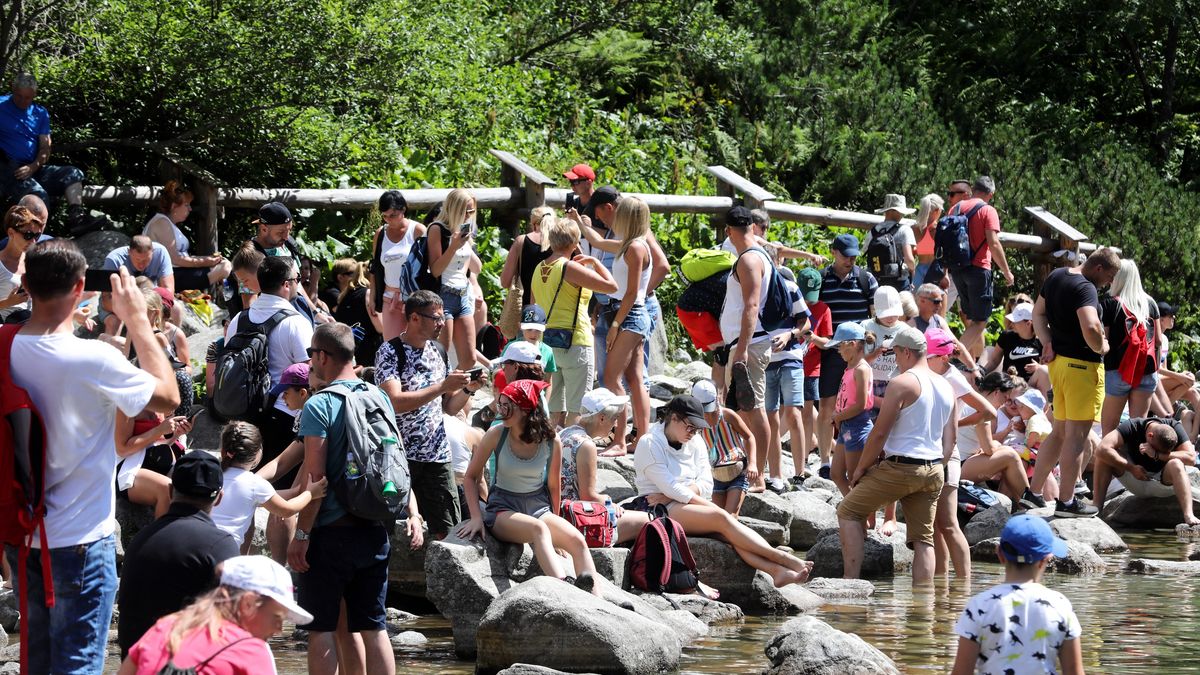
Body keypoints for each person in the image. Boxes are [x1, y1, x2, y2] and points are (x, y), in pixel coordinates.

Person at [5, 239, 180, 674]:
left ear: (25, 284)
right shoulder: (94, 357)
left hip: (22, 535)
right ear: (81, 286)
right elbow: (168, 398)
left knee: (37, 663)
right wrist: (138, 320)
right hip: (82, 539)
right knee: (78, 666)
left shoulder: (4, 345)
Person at [291, 323, 422, 675]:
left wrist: (302, 535)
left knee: (319, 628)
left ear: (321, 356)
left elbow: (316, 480)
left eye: (310, 355)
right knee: (373, 627)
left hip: (330, 533)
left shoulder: (319, 405)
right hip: (374, 528)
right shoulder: (378, 396)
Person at [630, 395, 813, 588]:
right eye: (690, 427)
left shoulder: (696, 441)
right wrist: (673, 495)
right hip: (658, 508)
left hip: (678, 501)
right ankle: (784, 559)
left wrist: (671, 494)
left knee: (729, 534)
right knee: (723, 519)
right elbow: (670, 487)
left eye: (697, 428)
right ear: (674, 418)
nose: (693, 433)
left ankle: (777, 572)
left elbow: (706, 483)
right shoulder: (649, 443)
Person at [837, 327, 956, 583]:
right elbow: (951, 440)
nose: (894, 360)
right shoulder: (946, 386)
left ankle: (851, 584)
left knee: (848, 511)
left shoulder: (901, 383)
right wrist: (937, 465)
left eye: (895, 354)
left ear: (905, 352)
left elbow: (879, 433)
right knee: (923, 540)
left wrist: (860, 470)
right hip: (934, 468)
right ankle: (923, 608)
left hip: (901, 466)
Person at [458, 380, 601, 592]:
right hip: (502, 509)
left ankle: (597, 603)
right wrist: (476, 518)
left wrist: (558, 535)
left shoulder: (552, 441)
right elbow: (470, 478)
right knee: (539, 529)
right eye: (500, 404)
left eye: (507, 406)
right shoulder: (496, 434)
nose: (501, 411)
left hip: (538, 507)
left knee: (577, 541)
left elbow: (554, 487)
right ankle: (565, 589)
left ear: (525, 409)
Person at [116, 451, 240, 659]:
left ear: (171, 491)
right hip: (184, 664)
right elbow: (234, 621)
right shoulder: (220, 544)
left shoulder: (141, 539)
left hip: (135, 662)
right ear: (219, 498)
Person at [1028, 247, 1121, 517]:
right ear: (1099, 268)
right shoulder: (1086, 288)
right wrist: (1101, 347)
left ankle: (1032, 494)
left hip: (1058, 366)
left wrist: (1047, 342)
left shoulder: (1057, 275)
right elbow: (1091, 326)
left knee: (1058, 432)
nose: (1109, 282)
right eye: (1110, 275)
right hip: (1082, 367)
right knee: (1077, 437)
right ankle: (1066, 501)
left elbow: (1038, 313)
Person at [375, 290, 475, 539]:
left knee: (449, 531)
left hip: (436, 454)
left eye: (443, 317)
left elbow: (449, 407)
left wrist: (468, 390)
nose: (442, 323)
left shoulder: (439, 351)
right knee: (387, 531)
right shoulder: (390, 352)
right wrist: (442, 386)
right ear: (415, 318)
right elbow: (394, 402)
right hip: (399, 455)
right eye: (436, 318)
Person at [119, 555, 312, 674]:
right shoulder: (251, 651)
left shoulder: (168, 627)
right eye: (277, 618)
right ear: (248, 604)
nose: (279, 630)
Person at [950, 515, 1083, 675]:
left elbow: (961, 672)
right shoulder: (1060, 605)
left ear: (1000, 554)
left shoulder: (979, 605)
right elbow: (1074, 671)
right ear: (1045, 560)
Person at [581, 196, 653, 453]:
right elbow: (597, 242)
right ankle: (642, 439)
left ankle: (620, 440)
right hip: (624, 313)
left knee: (610, 377)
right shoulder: (629, 244)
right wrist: (580, 223)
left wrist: (615, 325)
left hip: (629, 314)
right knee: (633, 379)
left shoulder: (635, 247)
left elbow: (632, 292)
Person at [531, 215, 617, 429]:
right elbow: (612, 286)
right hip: (575, 340)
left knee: (553, 406)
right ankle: (571, 454)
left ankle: (551, 455)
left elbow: (534, 307)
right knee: (577, 407)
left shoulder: (539, 267)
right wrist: (595, 262)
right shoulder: (569, 267)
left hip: (548, 343)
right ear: (574, 242)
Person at [926, 327, 996, 578]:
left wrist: (955, 423)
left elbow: (989, 412)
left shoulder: (952, 376)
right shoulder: (928, 372)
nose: (923, 359)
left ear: (942, 357)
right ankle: (942, 584)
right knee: (934, 525)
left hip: (948, 455)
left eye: (927, 355)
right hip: (929, 454)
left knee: (948, 523)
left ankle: (964, 586)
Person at [0, 73, 107, 234]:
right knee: (39, 195)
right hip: (8, 167)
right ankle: (34, 240)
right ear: (12, 89)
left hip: (32, 167)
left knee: (72, 173)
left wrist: (33, 166)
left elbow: (45, 147)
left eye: (27, 97)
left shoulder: (40, 113)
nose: (22, 101)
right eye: (18, 96)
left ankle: (76, 218)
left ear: (34, 95)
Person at [719, 205, 774, 492]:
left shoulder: (749, 260)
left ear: (728, 231)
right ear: (752, 226)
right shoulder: (757, 252)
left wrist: (741, 348)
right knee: (743, 407)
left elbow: (752, 305)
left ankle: (759, 474)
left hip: (750, 344)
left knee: (755, 409)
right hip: (748, 342)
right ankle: (746, 466)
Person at [817, 233, 878, 486]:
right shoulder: (821, 279)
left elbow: (874, 315)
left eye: (854, 256)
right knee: (827, 405)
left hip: (858, 351)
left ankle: (853, 453)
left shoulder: (866, 279)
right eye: (846, 255)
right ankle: (824, 460)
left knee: (858, 402)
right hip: (832, 350)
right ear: (834, 252)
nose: (850, 260)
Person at [210, 420, 328, 546]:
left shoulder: (213, 476)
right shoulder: (255, 484)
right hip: (225, 550)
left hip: (199, 542)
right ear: (257, 454)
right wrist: (310, 493)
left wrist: (296, 492)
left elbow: (264, 497)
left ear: (223, 451)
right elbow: (287, 510)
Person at [558, 388, 650, 543]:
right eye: (614, 418)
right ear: (601, 418)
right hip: (576, 518)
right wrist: (609, 502)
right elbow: (588, 497)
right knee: (649, 519)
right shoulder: (586, 445)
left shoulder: (565, 433)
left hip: (559, 513)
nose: (615, 424)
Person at [949, 176, 1015, 359]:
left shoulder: (955, 208)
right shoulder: (988, 210)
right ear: (990, 194)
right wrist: (1006, 271)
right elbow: (993, 244)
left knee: (970, 319)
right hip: (978, 269)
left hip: (957, 269)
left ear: (973, 190)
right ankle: (952, 357)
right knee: (980, 321)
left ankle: (970, 363)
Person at [1091, 416, 1197, 524]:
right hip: (1135, 477)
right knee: (1104, 456)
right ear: (1150, 435)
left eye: (1166, 452)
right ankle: (1097, 507)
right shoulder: (1133, 426)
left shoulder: (1174, 426)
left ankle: (1188, 515)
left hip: (1162, 483)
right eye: (1156, 448)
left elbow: (1192, 459)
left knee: (1177, 463)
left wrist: (1157, 454)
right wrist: (1131, 468)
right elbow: (1102, 449)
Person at [1098, 259, 1160, 435]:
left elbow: (1104, 341)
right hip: (1146, 371)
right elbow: (1158, 341)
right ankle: (1135, 462)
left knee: (1109, 429)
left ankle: (1111, 462)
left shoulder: (1109, 304)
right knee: (1137, 429)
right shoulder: (1150, 303)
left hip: (1118, 371)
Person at [763, 266, 810, 493]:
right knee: (770, 417)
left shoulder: (790, 287)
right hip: (763, 360)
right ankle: (775, 476)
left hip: (791, 357)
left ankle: (800, 474)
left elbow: (806, 323)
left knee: (793, 414)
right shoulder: (753, 289)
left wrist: (789, 334)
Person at [567, 185, 621, 381]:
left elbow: (615, 285)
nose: (597, 218)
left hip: (624, 309)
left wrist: (638, 297)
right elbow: (598, 243)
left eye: (597, 213)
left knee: (623, 375)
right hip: (607, 306)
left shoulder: (629, 236)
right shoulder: (609, 233)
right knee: (606, 375)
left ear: (608, 207)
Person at [249, 201, 330, 324]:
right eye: (281, 232)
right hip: (271, 323)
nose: (286, 237)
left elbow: (297, 286)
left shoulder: (287, 246)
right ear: (264, 228)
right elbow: (249, 301)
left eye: (289, 230)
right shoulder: (251, 256)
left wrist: (315, 314)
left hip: (295, 317)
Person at [959, 371, 1033, 506]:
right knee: (1011, 455)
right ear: (997, 392)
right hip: (960, 465)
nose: (1005, 403)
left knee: (1006, 451)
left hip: (956, 462)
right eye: (1005, 397)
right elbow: (988, 449)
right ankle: (1029, 499)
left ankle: (1021, 502)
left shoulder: (968, 400)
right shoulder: (984, 410)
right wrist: (999, 446)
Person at [426, 188, 481, 368]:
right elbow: (435, 270)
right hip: (443, 296)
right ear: (456, 209)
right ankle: (442, 394)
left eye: (472, 210)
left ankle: (455, 393)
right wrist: (454, 246)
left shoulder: (464, 231)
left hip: (464, 294)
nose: (470, 215)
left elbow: (477, 268)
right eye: (467, 210)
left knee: (470, 358)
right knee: (441, 355)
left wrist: (465, 244)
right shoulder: (436, 229)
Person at [143, 180, 231, 291]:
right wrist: (206, 261)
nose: (190, 209)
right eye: (186, 205)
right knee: (225, 267)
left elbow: (183, 257)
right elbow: (175, 260)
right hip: (167, 277)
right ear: (174, 206)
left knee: (224, 263)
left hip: (178, 273)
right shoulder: (162, 223)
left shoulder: (168, 223)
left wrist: (208, 259)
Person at [689, 379, 757, 515]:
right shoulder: (696, 422)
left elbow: (749, 437)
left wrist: (753, 464)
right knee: (718, 516)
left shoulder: (728, 416)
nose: (707, 415)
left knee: (730, 515)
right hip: (715, 475)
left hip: (737, 471)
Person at [826, 322, 875, 498]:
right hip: (846, 427)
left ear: (852, 344)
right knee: (836, 474)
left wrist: (838, 416)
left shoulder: (862, 369)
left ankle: (860, 517)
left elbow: (862, 404)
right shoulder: (850, 368)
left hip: (857, 427)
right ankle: (853, 509)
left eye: (840, 346)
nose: (838, 350)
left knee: (856, 478)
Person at [370, 190, 426, 340]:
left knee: (417, 345)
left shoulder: (418, 230)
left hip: (415, 298)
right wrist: (372, 297)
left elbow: (428, 266)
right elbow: (375, 267)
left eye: (392, 215)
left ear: (403, 210)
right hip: (390, 298)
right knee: (393, 346)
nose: (389, 220)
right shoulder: (380, 233)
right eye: (385, 216)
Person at [101, 235, 177, 333]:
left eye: (146, 260)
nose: (141, 265)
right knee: (113, 322)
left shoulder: (161, 252)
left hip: (151, 299)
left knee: (176, 310)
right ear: (129, 252)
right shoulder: (114, 259)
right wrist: (135, 308)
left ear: (153, 251)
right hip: (119, 301)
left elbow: (168, 291)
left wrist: (147, 308)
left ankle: (171, 345)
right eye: (137, 260)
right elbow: (106, 300)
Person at [797, 267, 831, 482]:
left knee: (808, 411)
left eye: (812, 298)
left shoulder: (823, 309)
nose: (809, 303)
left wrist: (813, 338)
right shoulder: (793, 303)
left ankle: (807, 453)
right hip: (790, 365)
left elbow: (828, 341)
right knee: (787, 410)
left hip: (811, 368)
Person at [328, 258, 383, 368]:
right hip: (371, 356)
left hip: (352, 354)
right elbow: (381, 327)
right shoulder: (368, 294)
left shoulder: (343, 297)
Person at [500, 205, 554, 309]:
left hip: (526, 309)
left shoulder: (521, 241)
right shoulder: (563, 242)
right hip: (556, 309)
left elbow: (505, 282)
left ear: (533, 224)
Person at [863, 194, 917, 291]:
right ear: (896, 211)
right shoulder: (905, 230)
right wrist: (913, 273)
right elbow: (909, 260)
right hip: (900, 282)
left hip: (876, 281)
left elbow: (866, 253)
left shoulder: (873, 232)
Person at [0, 205, 41, 323]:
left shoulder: (33, 260)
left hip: (32, 322)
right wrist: (9, 302)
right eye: (28, 235)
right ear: (11, 233)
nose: (33, 241)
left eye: (36, 236)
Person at [981, 301, 1042, 379]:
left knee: (1043, 371)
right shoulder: (1006, 336)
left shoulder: (1041, 341)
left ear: (1028, 323)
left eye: (1015, 321)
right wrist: (982, 372)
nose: (1011, 324)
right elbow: (994, 361)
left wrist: (1039, 367)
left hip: (1031, 384)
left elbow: (1048, 367)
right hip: (1008, 384)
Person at [910, 193, 944, 290]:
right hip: (934, 270)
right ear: (937, 210)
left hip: (918, 270)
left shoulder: (915, 228)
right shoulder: (938, 228)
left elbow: (912, 251)